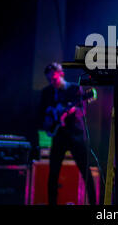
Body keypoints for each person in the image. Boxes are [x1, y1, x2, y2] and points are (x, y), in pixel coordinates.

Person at [38, 62, 96, 205]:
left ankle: (96, 204)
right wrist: (49, 120)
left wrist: (71, 111)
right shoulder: (47, 92)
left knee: (86, 172)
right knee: (53, 174)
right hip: (59, 135)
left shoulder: (75, 89)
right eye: (50, 79)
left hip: (76, 136)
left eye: (54, 79)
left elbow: (82, 110)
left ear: (61, 74)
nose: (52, 82)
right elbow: (41, 114)